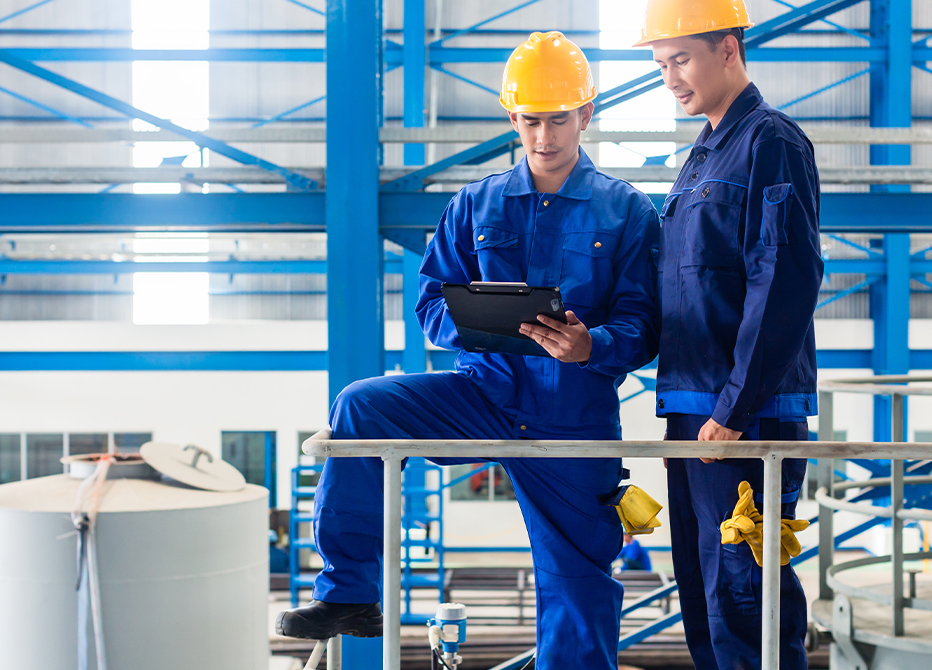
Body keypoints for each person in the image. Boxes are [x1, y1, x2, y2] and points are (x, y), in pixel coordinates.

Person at [275, 31, 660, 670]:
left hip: (574, 418)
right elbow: (430, 305)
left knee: (577, 583)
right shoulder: (473, 204)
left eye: (559, 120)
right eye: (531, 121)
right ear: (513, 118)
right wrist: (478, 326)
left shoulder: (627, 212)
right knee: (361, 408)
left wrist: (591, 344)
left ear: (586, 115)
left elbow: (645, 325)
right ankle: (349, 594)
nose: (544, 137)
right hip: (483, 394)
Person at [634, 1, 824, 668]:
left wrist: (736, 409)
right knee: (703, 591)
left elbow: (784, 278)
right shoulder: (700, 157)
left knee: (745, 595)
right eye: (661, 65)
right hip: (693, 411)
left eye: (680, 59)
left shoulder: (770, 142)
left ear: (729, 49)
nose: (670, 78)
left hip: (745, 417)